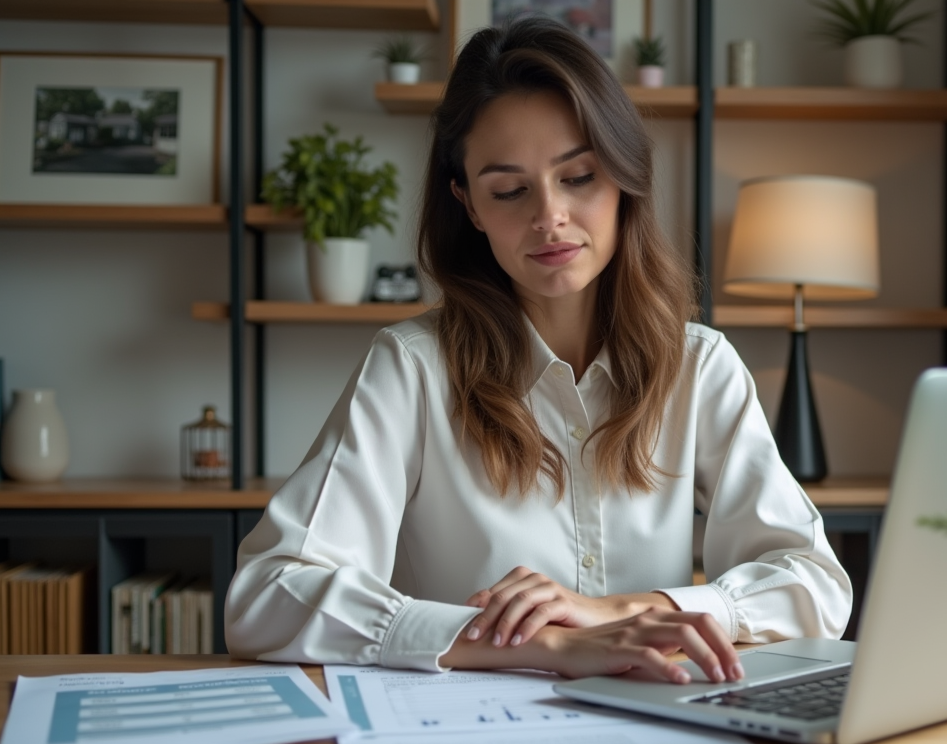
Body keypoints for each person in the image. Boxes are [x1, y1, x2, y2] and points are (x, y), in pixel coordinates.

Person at [226, 17, 852, 685]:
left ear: (623, 175)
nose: (549, 217)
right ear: (467, 203)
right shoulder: (411, 367)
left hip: (660, 732)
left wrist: (624, 611)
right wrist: (536, 646)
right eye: (509, 190)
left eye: (578, 176)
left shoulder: (699, 366)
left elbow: (816, 584)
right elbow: (266, 596)